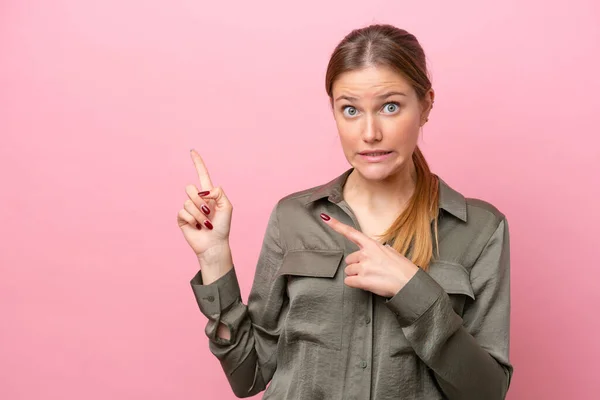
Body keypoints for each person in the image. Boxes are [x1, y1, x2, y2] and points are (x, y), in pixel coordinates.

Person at [177, 24, 513, 400]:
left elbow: (486, 392)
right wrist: (214, 257)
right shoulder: (293, 218)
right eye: (350, 110)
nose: (370, 132)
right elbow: (248, 377)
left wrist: (414, 291)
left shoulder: (481, 229)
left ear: (426, 106)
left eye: (390, 106)